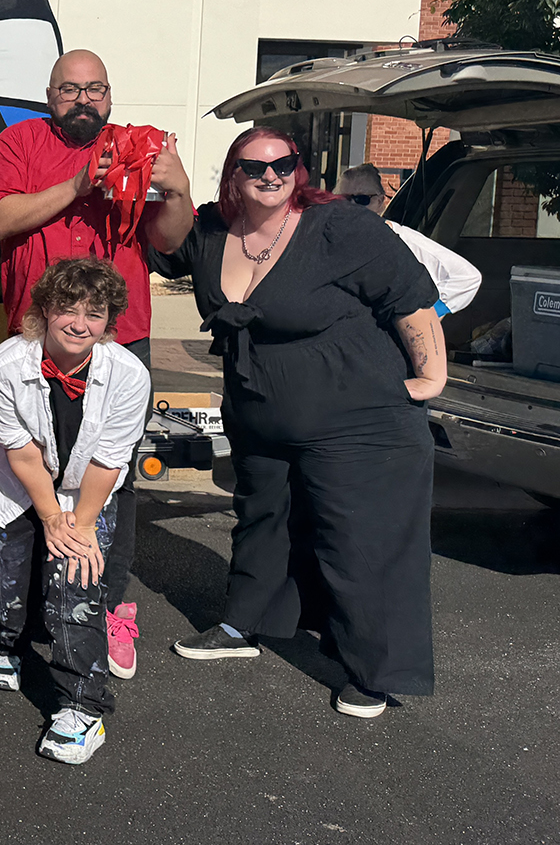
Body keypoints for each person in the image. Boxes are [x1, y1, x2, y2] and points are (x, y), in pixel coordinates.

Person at [158, 128, 445, 718]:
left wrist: (430, 377)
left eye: (283, 163)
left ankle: (374, 670)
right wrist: (175, 187)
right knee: (264, 519)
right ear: (232, 174)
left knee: (360, 542)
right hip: (261, 415)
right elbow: (164, 245)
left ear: (299, 169)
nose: (271, 175)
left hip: (355, 417)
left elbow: (410, 300)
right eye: (254, 166)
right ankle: (246, 625)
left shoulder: (340, 227)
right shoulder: (213, 227)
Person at [0, 48, 193, 680]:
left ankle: (107, 606)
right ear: (50, 95)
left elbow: (169, 238)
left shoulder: (139, 146)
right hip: (37, 336)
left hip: (117, 339)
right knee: (26, 468)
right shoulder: (18, 143)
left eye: (95, 89)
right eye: (70, 90)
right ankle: (23, 610)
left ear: (109, 96)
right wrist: (78, 185)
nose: (83, 100)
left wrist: (174, 186)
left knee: (112, 477)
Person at [0, 257, 150, 765]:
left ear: (109, 321)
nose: (79, 324)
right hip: (15, 477)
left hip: (84, 490)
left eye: (94, 314)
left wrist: (80, 525)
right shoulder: (5, 366)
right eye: (68, 309)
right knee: (3, 576)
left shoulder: (128, 375)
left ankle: (82, 707)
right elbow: (22, 452)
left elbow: (108, 458)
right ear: (45, 309)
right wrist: (49, 516)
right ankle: (5, 644)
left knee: (77, 580)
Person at [336, 163, 480, 318]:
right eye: (343, 199)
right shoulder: (329, 240)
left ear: (379, 202)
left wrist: (427, 316)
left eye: (361, 199)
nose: (351, 206)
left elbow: (467, 278)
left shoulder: (403, 240)